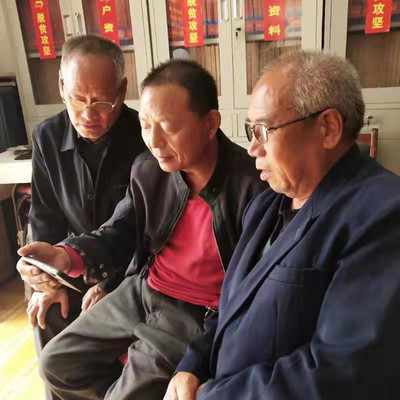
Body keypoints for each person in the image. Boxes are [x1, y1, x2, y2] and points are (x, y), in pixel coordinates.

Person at [17, 59, 267, 399]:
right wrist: (64, 255)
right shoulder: (148, 170)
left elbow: (252, 285)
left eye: (168, 127)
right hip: (143, 289)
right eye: (146, 125)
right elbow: (117, 231)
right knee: (56, 363)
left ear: (210, 123)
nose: (154, 141)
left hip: (195, 311)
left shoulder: (252, 185)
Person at [164, 51, 400, 400]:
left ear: (328, 128)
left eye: (263, 131)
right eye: (250, 131)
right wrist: (192, 366)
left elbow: (341, 370)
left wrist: (211, 395)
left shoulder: (382, 215)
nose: (252, 148)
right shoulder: (266, 205)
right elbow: (231, 307)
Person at [16, 35, 146, 400]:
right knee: (45, 313)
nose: (89, 115)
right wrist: (47, 281)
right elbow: (45, 218)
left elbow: (145, 230)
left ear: (122, 90)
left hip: (129, 272)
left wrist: (109, 284)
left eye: (102, 102)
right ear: (61, 85)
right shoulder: (47, 136)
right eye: (77, 99)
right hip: (70, 269)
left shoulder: (144, 137)